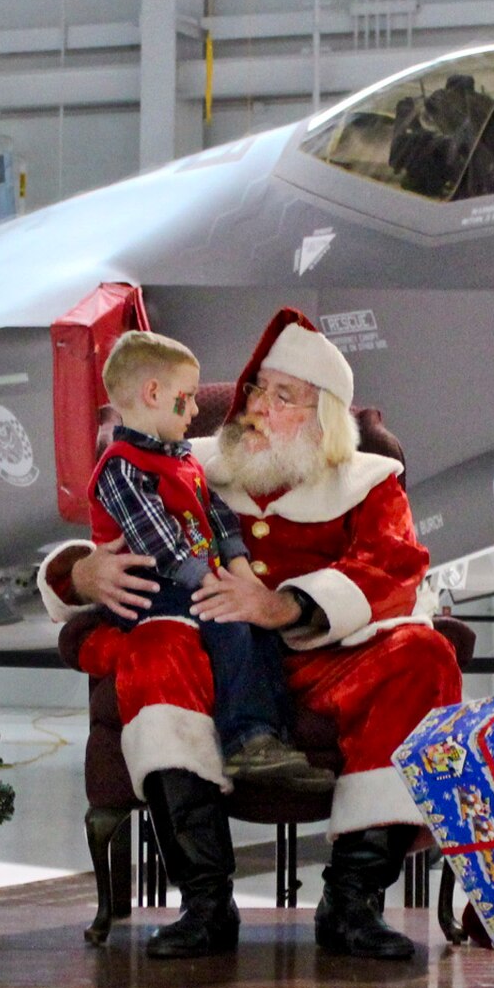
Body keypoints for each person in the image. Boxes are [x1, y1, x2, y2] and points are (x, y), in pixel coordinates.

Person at [42, 309, 462, 960]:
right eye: (259, 388)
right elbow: (118, 524)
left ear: (324, 417)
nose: (260, 406)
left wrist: (286, 605)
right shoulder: (186, 458)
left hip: (328, 659)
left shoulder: (369, 481)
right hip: (208, 655)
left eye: (284, 395)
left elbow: (393, 566)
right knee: (155, 647)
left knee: (424, 655)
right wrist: (82, 573)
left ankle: (352, 902)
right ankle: (206, 903)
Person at [91, 329, 331, 810]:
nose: (197, 411)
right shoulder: (122, 466)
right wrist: (215, 584)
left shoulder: (182, 461)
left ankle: (272, 739)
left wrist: (239, 568)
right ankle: (245, 740)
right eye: (188, 399)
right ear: (153, 394)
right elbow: (158, 543)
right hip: (158, 592)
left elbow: (215, 513)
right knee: (232, 623)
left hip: (197, 579)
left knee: (260, 629)